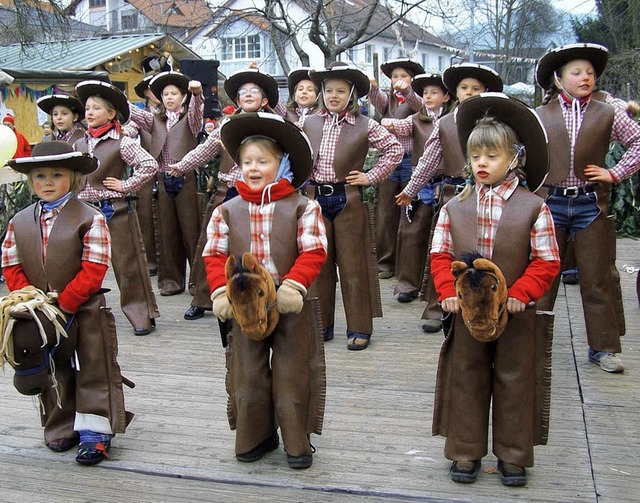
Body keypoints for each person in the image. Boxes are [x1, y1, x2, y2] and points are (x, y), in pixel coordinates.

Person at [430, 93, 560, 486]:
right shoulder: (455, 206)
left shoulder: (533, 208)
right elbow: (440, 254)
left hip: (516, 312)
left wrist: (522, 292)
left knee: (514, 377)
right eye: (475, 157)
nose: (482, 164)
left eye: (492, 156)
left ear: (514, 158)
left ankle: (513, 454)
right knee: (466, 374)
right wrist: (446, 290)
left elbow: (547, 260)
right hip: (468, 311)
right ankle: (466, 450)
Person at [203, 113, 327, 469]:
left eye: (263, 161)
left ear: (282, 162)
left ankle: (295, 440)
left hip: (289, 299)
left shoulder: (303, 206)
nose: (253, 168)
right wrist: (219, 293)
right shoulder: (227, 210)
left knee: (292, 372)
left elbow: (314, 250)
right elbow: (213, 254)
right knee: (247, 374)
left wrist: (295, 285)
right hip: (245, 305)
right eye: (247, 162)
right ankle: (256, 435)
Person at [2, 141, 133, 465]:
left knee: (92, 367)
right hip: (38, 311)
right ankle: (59, 424)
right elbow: (10, 263)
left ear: (73, 178)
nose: (46, 182)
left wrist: (68, 301)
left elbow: (95, 265)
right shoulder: (19, 221)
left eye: (56, 175)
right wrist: (31, 299)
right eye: (40, 176)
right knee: (52, 365)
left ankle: (95, 431)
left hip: (83, 308)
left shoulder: (88, 217)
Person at [534, 43, 640, 373]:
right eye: (576, 72)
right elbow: (517, 154)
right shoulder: (540, 115)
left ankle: (604, 347)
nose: (586, 78)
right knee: (542, 276)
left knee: (597, 277)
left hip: (590, 204)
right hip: (548, 203)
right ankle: (530, 343)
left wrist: (616, 172)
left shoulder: (608, 112)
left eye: (590, 73)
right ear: (558, 78)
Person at [299, 62, 403, 349]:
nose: (334, 95)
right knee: (318, 263)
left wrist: (371, 176)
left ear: (352, 94)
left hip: (348, 198)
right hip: (315, 198)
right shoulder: (307, 122)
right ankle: (322, 324)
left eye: (340, 91)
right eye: (329, 90)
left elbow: (394, 150)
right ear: (321, 92)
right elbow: (290, 150)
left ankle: (359, 328)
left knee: (353, 265)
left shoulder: (365, 125)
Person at [396, 63, 503, 333]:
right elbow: (428, 160)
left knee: (486, 255)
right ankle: (437, 306)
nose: (469, 93)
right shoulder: (445, 123)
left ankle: (487, 308)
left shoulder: (497, 124)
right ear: (455, 93)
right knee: (443, 253)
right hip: (454, 196)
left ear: (485, 91)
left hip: (492, 197)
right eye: (464, 88)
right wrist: (411, 189)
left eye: (475, 89)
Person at [169, 68, 283, 321]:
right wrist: (180, 166)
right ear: (237, 100)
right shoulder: (225, 125)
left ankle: (264, 298)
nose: (248, 95)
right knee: (211, 245)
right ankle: (203, 298)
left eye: (254, 91)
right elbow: (204, 150)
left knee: (262, 245)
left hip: (264, 195)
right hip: (229, 192)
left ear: (264, 100)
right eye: (243, 92)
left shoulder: (274, 124)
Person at [74, 80, 160, 336]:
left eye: (96, 108)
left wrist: (125, 185)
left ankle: (141, 314)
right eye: (87, 108)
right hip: (84, 212)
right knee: (81, 264)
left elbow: (149, 165)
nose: (89, 112)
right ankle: (83, 312)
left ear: (111, 114)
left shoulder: (122, 141)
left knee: (127, 264)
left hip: (114, 209)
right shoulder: (79, 144)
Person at [128, 71, 204, 297]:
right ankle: (171, 280)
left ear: (182, 96)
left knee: (192, 230)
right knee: (166, 230)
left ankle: (198, 282)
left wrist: (197, 94)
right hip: (162, 178)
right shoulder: (154, 120)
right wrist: (110, 94)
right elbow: (133, 113)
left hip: (186, 177)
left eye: (174, 93)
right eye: (165, 94)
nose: (169, 97)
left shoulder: (189, 120)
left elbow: (196, 110)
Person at [382, 73, 452, 303]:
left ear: (446, 97)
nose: (429, 97)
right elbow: (397, 126)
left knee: (443, 239)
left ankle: (438, 291)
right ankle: (407, 285)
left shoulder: (453, 120)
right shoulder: (416, 120)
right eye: (426, 93)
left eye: (434, 93)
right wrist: (386, 123)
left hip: (449, 184)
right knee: (412, 233)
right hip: (422, 184)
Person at [369, 58, 424, 279]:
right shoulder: (388, 101)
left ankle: (406, 263)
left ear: (411, 79)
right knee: (385, 213)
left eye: (403, 76)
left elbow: (423, 109)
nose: (398, 81)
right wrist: (372, 87)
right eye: (394, 77)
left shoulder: (417, 98)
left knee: (409, 213)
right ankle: (385, 262)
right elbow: (377, 98)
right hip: (389, 162)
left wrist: (409, 91)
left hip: (412, 162)